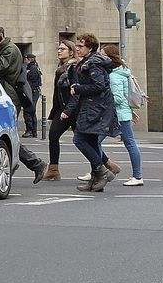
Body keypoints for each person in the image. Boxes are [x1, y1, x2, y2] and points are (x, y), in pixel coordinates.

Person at [0, 23, 48, 182]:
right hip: (0, 96)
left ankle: (34, 164)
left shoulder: (10, 50)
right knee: (5, 135)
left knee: (7, 135)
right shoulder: (0, 50)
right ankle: (30, 164)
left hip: (10, 97)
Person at [64, 32, 119, 191]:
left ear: (90, 48)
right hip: (94, 106)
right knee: (91, 140)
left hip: (95, 108)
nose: (77, 49)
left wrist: (78, 88)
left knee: (79, 139)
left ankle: (101, 171)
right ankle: (96, 179)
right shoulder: (89, 62)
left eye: (81, 46)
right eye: (77, 45)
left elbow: (99, 85)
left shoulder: (93, 64)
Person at [105, 43, 144, 186]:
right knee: (130, 143)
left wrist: (104, 103)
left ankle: (137, 176)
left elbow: (119, 98)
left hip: (117, 115)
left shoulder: (114, 76)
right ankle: (137, 176)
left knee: (94, 142)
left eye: (103, 55)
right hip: (122, 114)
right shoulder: (122, 72)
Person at [45, 40, 79, 180]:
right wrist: (53, 114)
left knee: (84, 140)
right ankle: (53, 169)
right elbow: (56, 94)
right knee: (53, 135)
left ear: (71, 52)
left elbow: (76, 92)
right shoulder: (60, 69)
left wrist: (68, 111)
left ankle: (103, 165)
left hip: (74, 110)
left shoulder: (74, 68)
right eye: (58, 48)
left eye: (62, 49)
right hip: (63, 109)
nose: (59, 51)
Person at [24, 53, 43, 137]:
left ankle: (30, 130)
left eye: (26, 59)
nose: (25, 60)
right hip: (33, 91)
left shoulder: (33, 68)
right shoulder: (32, 67)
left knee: (29, 111)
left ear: (29, 59)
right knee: (31, 111)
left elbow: (32, 82)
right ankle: (32, 131)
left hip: (33, 91)